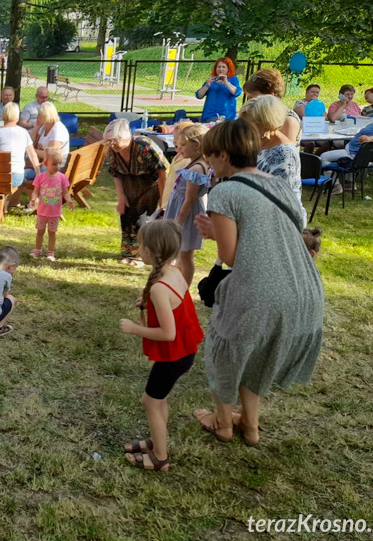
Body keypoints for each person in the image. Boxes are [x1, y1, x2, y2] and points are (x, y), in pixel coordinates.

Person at [192, 119, 324, 447]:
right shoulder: (279, 185)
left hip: (259, 291)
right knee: (258, 354)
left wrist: (211, 232)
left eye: (210, 156)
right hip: (303, 288)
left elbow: (232, 257)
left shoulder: (225, 191)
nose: (208, 163)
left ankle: (223, 423)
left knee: (226, 352)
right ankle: (249, 425)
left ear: (223, 155)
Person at [119, 220, 202, 471]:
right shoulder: (174, 271)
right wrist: (148, 303)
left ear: (151, 252)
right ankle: (157, 442)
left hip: (174, 356)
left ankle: (160, 457)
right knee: (159, 399)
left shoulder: (158, 287)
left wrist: (135, 329)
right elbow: (172, 303)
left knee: (151, 402)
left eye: (141, 245)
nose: (137, 249)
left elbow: (168, 333)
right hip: (184, 352)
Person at [104, 119, 169, 266]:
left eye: (114, 141)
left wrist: (163, 197)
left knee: (144, 221)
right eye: (108, 141)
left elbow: (162, 171)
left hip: (153, 186)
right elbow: (116, 173)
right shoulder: (113, 151)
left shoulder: (144, 147)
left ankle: (142, 256)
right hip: (131, 187)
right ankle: (129, 253)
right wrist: (121, 197)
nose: (111, 144)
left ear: (125, 137)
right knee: (127, 218)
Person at [239, 95, 303, 212]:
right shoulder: (257, 144)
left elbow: (280, 199)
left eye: (248, 124)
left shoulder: (284, 153)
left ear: (266, 123)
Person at [163, 124, 210, 286]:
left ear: (196, 146)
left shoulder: (196, 169)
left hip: (185, 215)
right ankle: (177, 283)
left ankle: (183, 288)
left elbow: (189, 200)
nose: (179, 148)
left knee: (185, 255)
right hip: (181, 210)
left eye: (183, 145)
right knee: (181, 253)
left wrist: (178, 221)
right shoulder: (195, 164)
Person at [0, 102, 40, 211]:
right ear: (17, 116)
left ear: (3, 115)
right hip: (16, 178)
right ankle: (6, 205)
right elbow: (33, 155)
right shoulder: (23, 133)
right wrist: (39, 173)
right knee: (19, 172)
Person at [319, 98, 373, 167]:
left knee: (324, 156)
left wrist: (369, 139)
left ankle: (335, 183)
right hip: (363, 154)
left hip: (354, 154)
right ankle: (348, 180)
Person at [29, 149, 74, 261]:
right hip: (42, 212)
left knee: (52, 233)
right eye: (54, 164)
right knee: (40, 231)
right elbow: (35, 190)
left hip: (54, 212)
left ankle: (50, 252)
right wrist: (33, 198)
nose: (57, 166)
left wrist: (69, 200)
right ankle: (37, 250)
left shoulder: (62, 177)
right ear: (46, 164)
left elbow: (66, 192)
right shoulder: (40, 177)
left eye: (59, 163)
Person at [243, 69, 301, 144]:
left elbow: (287, 152)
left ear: (270, 95)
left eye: (252, 97)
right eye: (248, 97)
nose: (249, 101)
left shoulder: (288, 120)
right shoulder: (259, 115)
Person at [160, 122, 193, 211]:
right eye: (173, 137)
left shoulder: (188, 161)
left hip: (176, 206)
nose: (174, 141)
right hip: (168, 203)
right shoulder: (178, 156)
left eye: (177, 138)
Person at [32, 102, 71, 174]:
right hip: (45, 164)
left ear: (46, 116)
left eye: (39, 115)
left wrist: (32, 151)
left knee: (25, 173)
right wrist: (36, 127)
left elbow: (51, 156)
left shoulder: (57, 130)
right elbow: (32, 143)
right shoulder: (44, 127)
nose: (37, 117)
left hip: (56, 168)